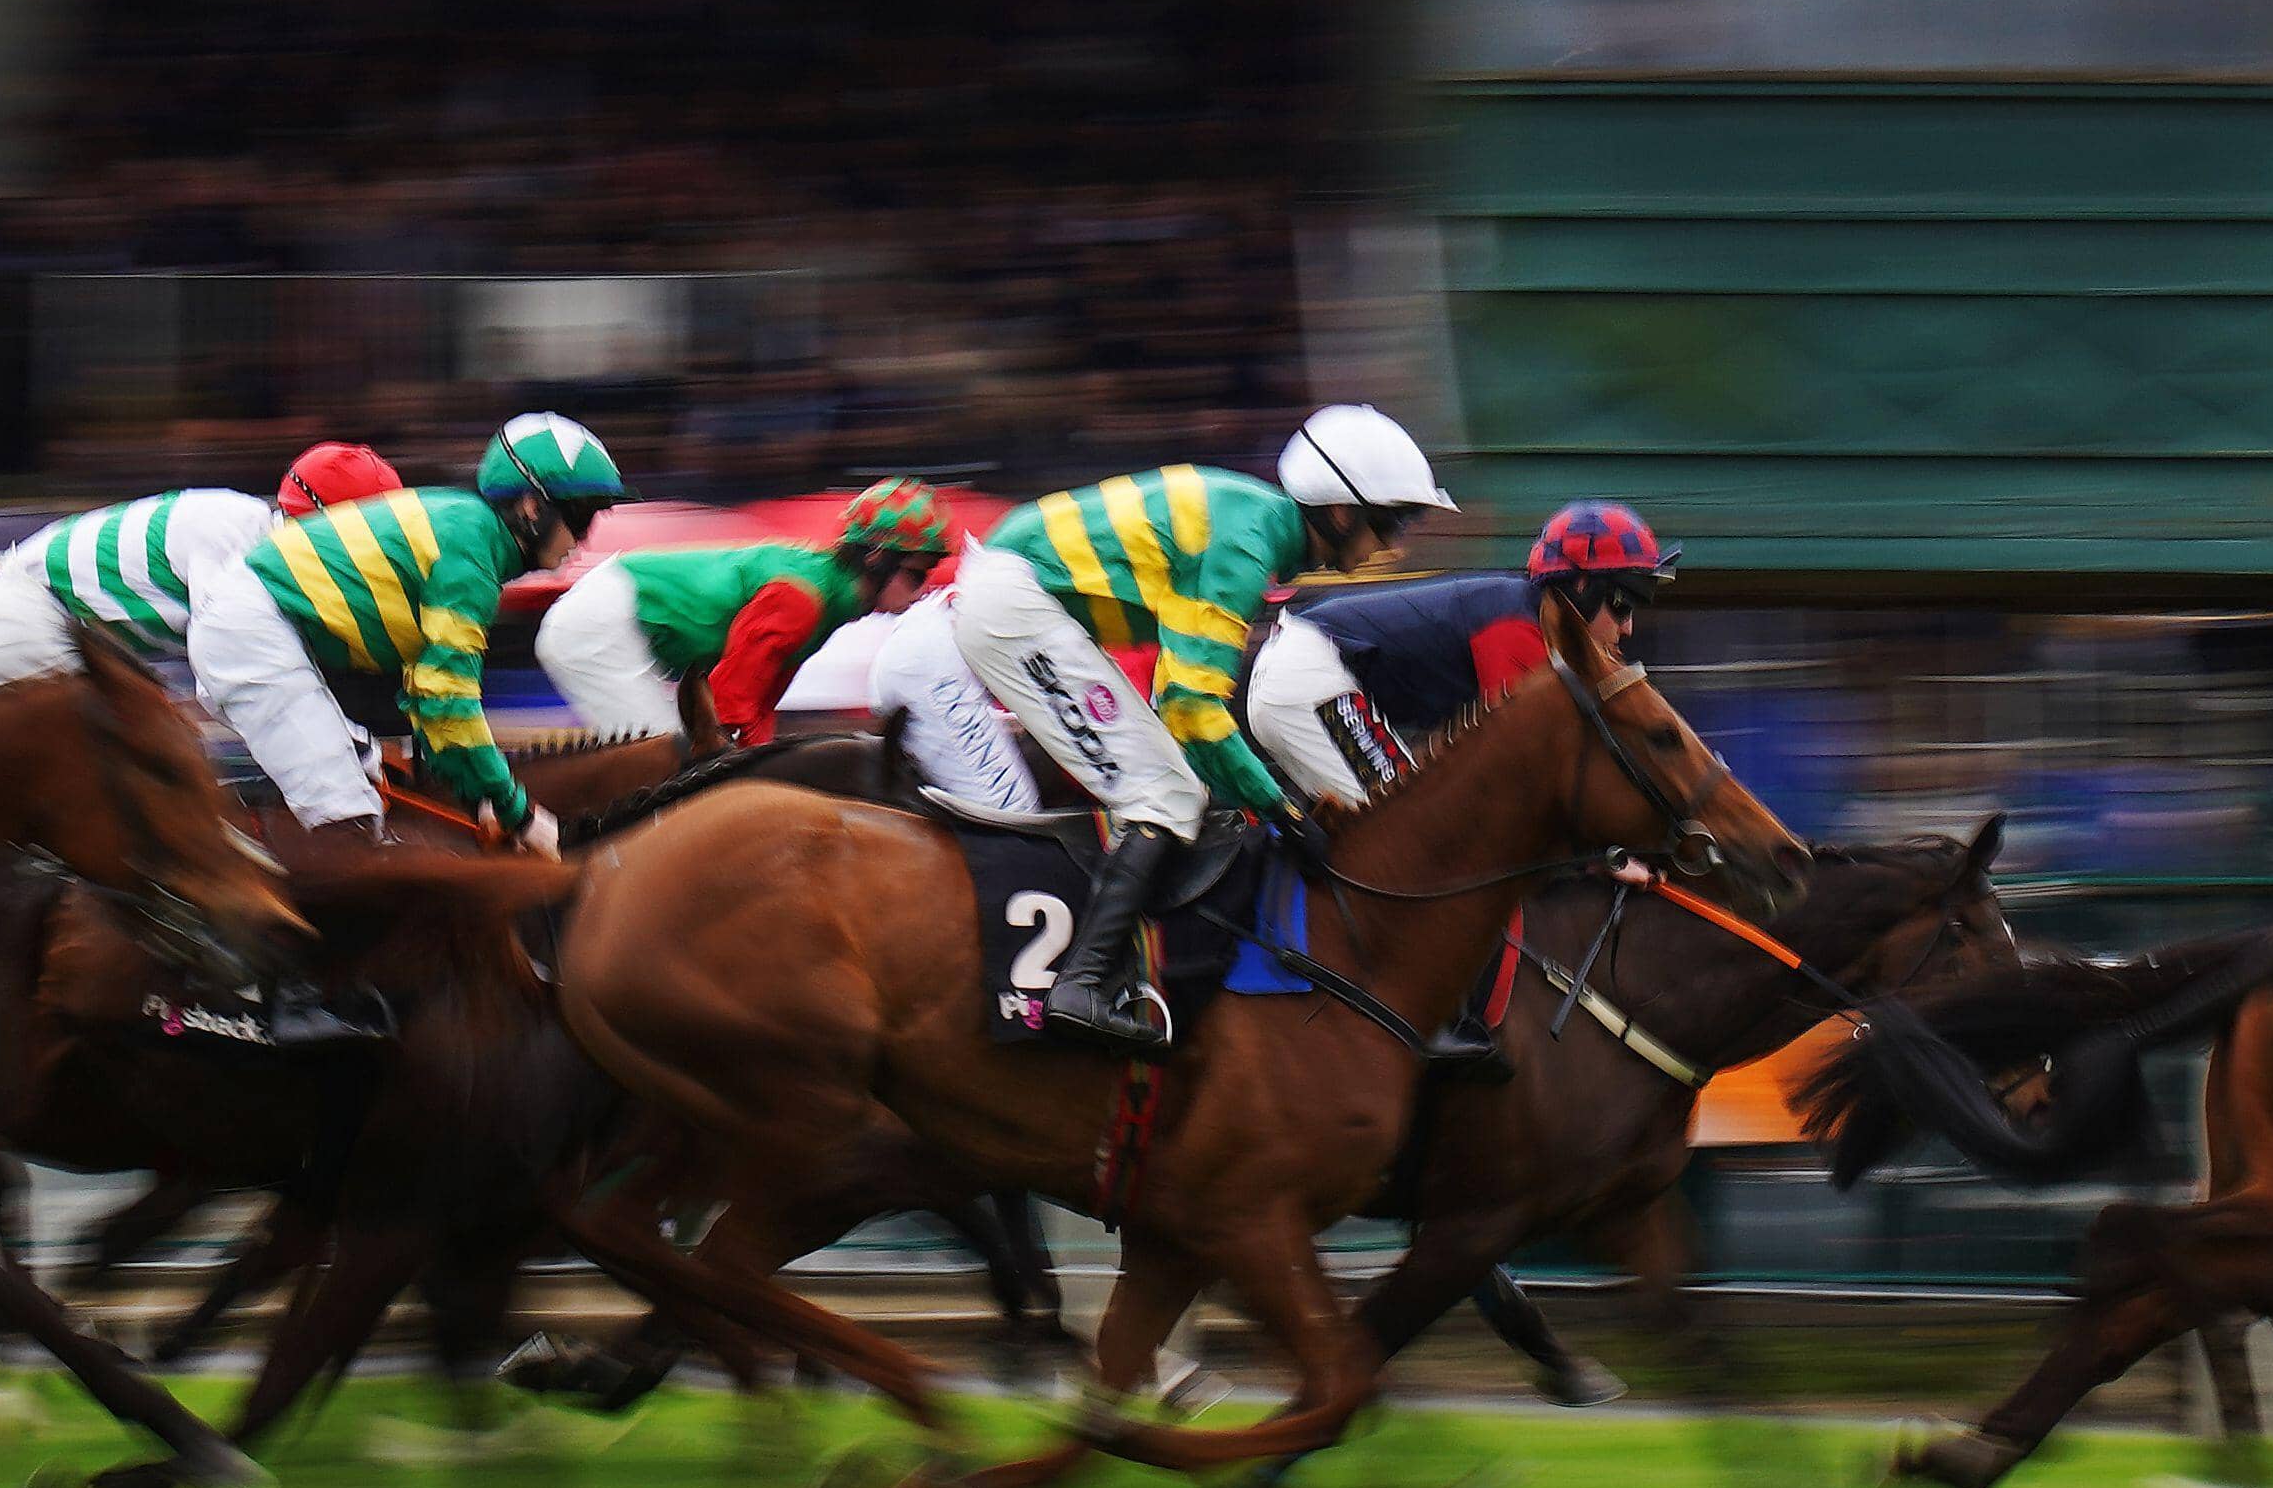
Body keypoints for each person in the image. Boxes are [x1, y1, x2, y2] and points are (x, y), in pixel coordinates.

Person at [948, 404, 1455, 1045]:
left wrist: (1266, 800)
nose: (1396, 544)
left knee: (1180, 785)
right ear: (1341, 512)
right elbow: (1192, 706)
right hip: (1015, 603)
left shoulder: (1255, 526)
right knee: (1166, 795)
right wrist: (1284, 813)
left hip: (1022, 598)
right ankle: (1082, 984)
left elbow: (1177, 698)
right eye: (1391, 522)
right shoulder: (1247, 541)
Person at [1243, 497, 1677, 1075]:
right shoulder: (1518, 632)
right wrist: (1601, 859)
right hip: (1309, 678)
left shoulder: (1529, 625)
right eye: (1621, 602)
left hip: (1307, 674)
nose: (1627, 628)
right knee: (1430, 846)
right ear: (1576, 590)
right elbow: (1521, 790)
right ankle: (1427, 1017)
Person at [192, 412, 627, 852]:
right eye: (580, 518)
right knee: (351, 821)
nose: (583, 539)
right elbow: (448, 700)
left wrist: (482, 799)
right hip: (253, 630)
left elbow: (427, 699)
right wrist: (522, 815)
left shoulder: (470, 532)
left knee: (374, 797)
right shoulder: (470, 552)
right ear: (532, 508)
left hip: (256, 626)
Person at [533, 477, 952, 744]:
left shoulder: (829, 600)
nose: (924, 588)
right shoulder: (802, 600)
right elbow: (728, 705)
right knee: (667, 762)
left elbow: (758, 706)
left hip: (610, 619)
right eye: (918, 574)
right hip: (597, 628)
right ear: (877, 558)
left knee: (682, 761)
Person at [0, 441, 405, 687]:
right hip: (30, 620)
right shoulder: (239, 543)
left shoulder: (258, 533)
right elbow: (236, 671)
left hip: (64, 626)